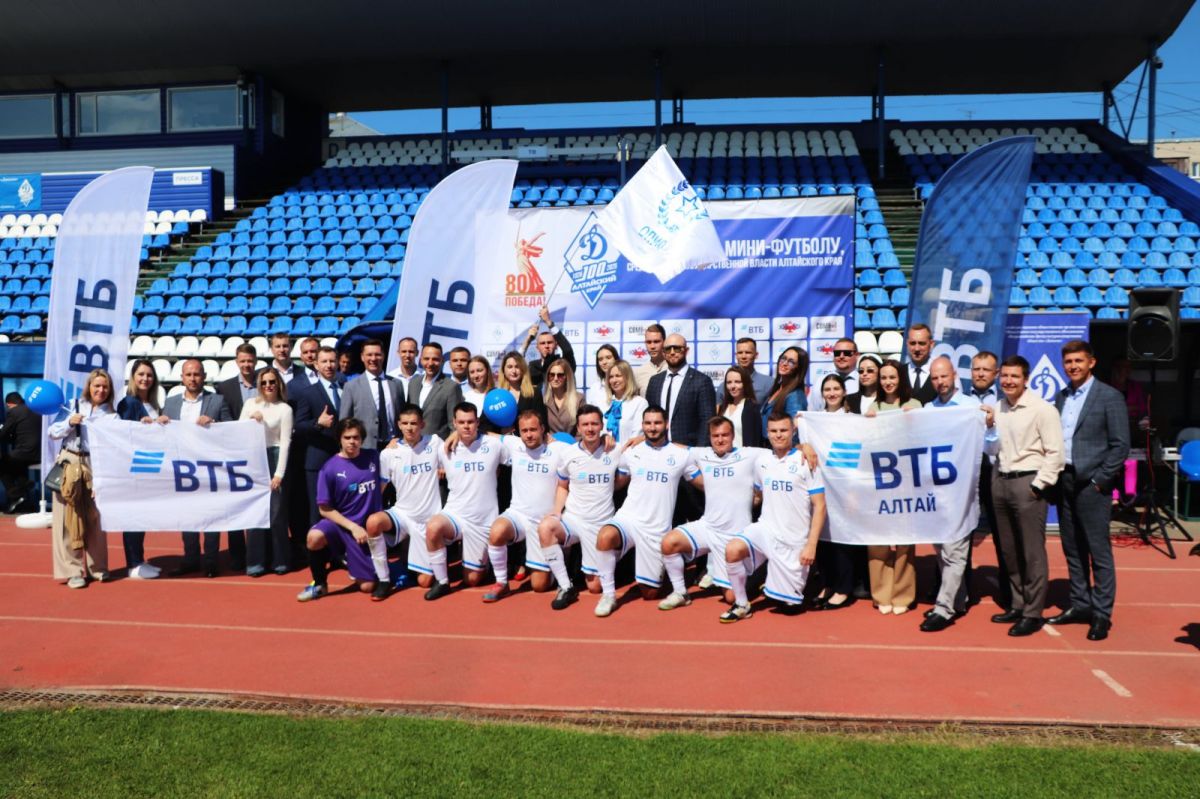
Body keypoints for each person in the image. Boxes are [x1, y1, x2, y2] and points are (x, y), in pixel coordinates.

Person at [1048, 340, 1130, 642]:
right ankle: (1080, 604)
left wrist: (1100, 480)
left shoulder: (1109, 396)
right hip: (1065, 480)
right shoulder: (1061, 397)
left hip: (1092, 484)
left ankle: (1101, 613)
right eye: (1068, 362)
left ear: (1091, 362)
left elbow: (1120, 445)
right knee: (1072, 548)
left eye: (1078, 361)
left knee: (1099, 551)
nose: (1073, 366)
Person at [984, 354, 1065, 637]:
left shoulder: (1043, 410)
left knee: (1032, 552)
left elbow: (1056, 453)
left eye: (1014, 376)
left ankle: (1033, 612)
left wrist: (1038, 485)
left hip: (1028, 483)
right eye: (1004, 376)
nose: (1008, 381)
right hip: (1001, 481)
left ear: (1026, 379)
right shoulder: (997, 408)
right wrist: (990, 427)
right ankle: (1018, 604)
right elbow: (991, 450)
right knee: (1009, 551)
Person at [592, 405, 700, 617]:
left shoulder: (681, 455)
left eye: (657, 423)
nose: (652, 427)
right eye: (648, 423)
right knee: (605, 536)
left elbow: (701, 482)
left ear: (667, 424)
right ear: (642, 425)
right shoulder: (631, 451)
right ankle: (608, 595)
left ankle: (664, 570)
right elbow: (618, 483)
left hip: (656, 530)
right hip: (629, 519)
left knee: (649, 594)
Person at [720, 410, 826, 622]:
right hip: (766, 530)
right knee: (732, 550)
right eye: (774, 431)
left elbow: (820, 506)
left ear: (793, 431)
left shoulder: (806, 461)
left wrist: (811, 545)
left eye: (783, 430)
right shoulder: (762, 461)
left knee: (789, 608)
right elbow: (759, 495)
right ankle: (742, 604)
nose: (778, 435)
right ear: (767, 433)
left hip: (793, 541)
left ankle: (798, 577)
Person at [658, 415, 764, 610]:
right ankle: (680, 593)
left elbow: (781, 451)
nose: (720, 439)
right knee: (669, 543)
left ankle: (759, 572)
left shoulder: (751, 454)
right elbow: (673, 447)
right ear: (710, 437)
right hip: (708, 527)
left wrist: (804, 447)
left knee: (731, 598)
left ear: (733, 436)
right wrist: (641, 439)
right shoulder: (702, 454)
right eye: (715, 436)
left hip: (734, 536)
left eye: (725, 435)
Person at [919, 356, 988, 632]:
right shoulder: (928, 409)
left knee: (955, 550)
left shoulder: (972, 408)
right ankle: (958, 600)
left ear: (954, 375)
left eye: (944, 376)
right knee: (941, 550)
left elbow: (990, 443)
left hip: (962, 491)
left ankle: (944, 608)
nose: (940, 382)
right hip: (935, 491)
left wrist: (990, 423)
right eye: (935, 378)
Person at [537, 404, 624, 610]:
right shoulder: (568, 454)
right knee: (546, 527)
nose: (590, 428)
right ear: (578, 427)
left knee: (594, 587)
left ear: (602, 426)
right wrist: (557, 511)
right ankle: (565, 586)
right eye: (585, 424)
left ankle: (609, 558)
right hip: (574, 519)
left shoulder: (616, 450)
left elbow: (628, 468)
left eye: (594, 424)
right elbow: (562, 486)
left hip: (600, 524)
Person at [296, 418, 392, 602]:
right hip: (342, 524)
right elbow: (324, 509)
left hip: (366, 529)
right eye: (347, 437)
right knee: (314, 537)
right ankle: (319, 584)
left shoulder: (373, 457)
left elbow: (385, 478)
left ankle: (346, 559)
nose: (352, 442)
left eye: (356, 437)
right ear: (339, 439)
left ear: (362, 439)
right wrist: (353, 527)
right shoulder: (329, 468)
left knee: (367, 587)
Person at [480, 409, 571, 601]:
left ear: (543, 429)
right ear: (518, 432)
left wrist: (605, 439)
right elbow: (481, 433)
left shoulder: (560, 449)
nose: (529, 435)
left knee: (539, 586)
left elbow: (586, 446)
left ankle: (556, 564)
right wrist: (455, 434)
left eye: (533, 430)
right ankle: (502, 583)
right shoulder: (514, 444)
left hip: (543, 523)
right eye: (524, 430)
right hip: (518, 515)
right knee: (496, 531)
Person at [423, 402, 506, 599]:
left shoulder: (494, 445)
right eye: (461, 422)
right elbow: (413, 447)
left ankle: (484, 562)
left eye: (470, 422)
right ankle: (442, 582)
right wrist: (393, 442)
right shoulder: (443, 449)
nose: (466, 426)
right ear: (454, 423)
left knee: (472, 580)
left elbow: (523, 450)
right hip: (455, 514)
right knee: (433, 527)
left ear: (478, 423)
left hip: (482, 521)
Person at [162, 359, 234, 577]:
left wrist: (214, 424)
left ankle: (211, 561)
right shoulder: (171, 403)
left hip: (209, 466)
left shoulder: (218, 400)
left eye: (196, 374)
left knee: (211, 514)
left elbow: (231, 430)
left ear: (204, 376)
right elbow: (163, 436)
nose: (192, 379)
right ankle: (191, 559)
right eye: (188, 375)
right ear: (182, 378)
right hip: (182, 467)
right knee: (187, 515)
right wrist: (159, 424)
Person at [48, 368, 116, 588]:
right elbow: (52, 432)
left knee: (95, 517)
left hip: (95, 464)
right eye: (97, 386)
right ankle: (72, 570)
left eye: (105, 387)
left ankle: (98, 568)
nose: (101, 390)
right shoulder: (72, 405)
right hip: (70, 460)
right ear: (89, 386)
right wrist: (69, 422)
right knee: (67, 518)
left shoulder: (113, 415)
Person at [863, 358, 921, 615]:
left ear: (901, 379)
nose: (888, 382)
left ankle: (903, 595)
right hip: (880, 482)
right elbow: (866, 444)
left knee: (905, 541)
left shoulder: (914, 405)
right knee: (878, 540)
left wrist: (914, 420)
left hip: (907, 482)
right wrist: (868, 424)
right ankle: (881, 593)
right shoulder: (873, 407)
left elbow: (923, 438)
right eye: (884, 377)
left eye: (892, 377)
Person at [366, 404, 444, 585]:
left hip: (428, 520)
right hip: (402, 514)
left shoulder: (435, 442)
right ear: (399, 425)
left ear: (422, 424)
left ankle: (409, 565)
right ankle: (383, 579)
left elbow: (457, 447)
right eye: (405, 423)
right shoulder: (388, 453)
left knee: (425, 582)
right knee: (373, 522)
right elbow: (381, 487)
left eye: (414, 423)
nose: (409, 428)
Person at [644, 334, 715, 524]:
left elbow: (707, 421)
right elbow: (650, 420)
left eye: (678, 348)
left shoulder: (701, 381)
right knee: (665, 518)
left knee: (696, 517)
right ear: (663, 352)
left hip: (688, 461)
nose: (673, 352)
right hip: (660, 462)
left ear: (686, 350)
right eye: (668, 348)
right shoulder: (655, 381)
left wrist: (697, 457)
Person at [115, 359, 165, 579]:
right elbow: (122, 433)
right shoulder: (129, 402)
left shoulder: (154, 404)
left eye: (149, 375)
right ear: (133, 378)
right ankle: (133, 564)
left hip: (151, 464)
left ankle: (139, 559)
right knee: (133, 515)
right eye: (141, 374)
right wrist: (140, 426)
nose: (145, 379)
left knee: (143, 515)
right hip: (134, 467)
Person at [809, 373, 856, 611]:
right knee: (823, 538)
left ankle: (843, 588)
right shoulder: (814, 420)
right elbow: (804, 446)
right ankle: (827, 584)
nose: (832, 393)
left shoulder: (853, 419)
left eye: (836, 388)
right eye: (827, 389)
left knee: (842, 539)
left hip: (845, 487)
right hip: (820, 486)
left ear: (844, 391)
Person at [241, 367, 293, 576]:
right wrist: (251, 420)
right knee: (255, 513)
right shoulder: (249, 404)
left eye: (272, 381)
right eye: (264, 382)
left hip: (274, 457)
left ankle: (280, 560)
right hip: (254, 458)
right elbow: (238, 430)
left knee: (277, 514)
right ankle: (255, 562)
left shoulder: (285, 409)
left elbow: (285, 442)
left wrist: (279, 473)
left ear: (278, 384)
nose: (268, 385)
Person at [969, 350, 1009, 611]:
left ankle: (1008, 592)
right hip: (969, 474)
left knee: (1002, 535)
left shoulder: (1006, 402)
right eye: (976, 369)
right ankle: (960, 590)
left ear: (996, 374)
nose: (980, 374)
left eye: (986, 369)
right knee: (962, 533)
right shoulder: (961, 401)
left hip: (996, 473)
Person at [293, 346, 344, 526]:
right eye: (324, 361)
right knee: (319, 510)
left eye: (332, 361)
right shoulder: (307, 393)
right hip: (318, 461)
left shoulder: (346, 388)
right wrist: (318, 423)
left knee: (342, 507)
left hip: (344, 459)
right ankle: (317, 545)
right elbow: (298, 426)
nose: (329, 365)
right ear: (316, 365)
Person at [340, 339, 404, 450]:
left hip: (394, 446)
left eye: (377, 354)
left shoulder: (396, 384)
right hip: (364, 448)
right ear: (362, 357)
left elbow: (402, 416)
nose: (373, 359)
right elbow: (344, 422)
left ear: (383, 356)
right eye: (369, 355)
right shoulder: (351, 386)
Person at [407, 342, 464, 440]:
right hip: (412, 444)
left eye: (435, 359)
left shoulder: (451, 387)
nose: (430, 363)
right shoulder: (413, 383)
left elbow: (454, 425)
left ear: (442, 360)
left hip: (437, 446)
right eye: (426, 359)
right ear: (420, 360)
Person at [1, 392, 40, 513]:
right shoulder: (36, 410)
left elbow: (3, 433)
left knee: (2, 464)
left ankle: (15, 495)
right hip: (39, 455)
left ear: (10, 404)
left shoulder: (14, 411)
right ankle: (24, 491)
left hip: (25, 453)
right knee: (16, 466)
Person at [760, 346, 808, 437]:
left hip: (779, 444)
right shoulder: (777, 388)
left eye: (791, 362)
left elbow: (794, 432)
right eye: (783, 358)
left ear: (799, 368)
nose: (785, 363)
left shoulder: (795, 396)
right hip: (767, 443)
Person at [523, 305, 576, 387]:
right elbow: (517, 363)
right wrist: (527, 341)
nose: (546, 346)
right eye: (542, 343)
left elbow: (568, 350)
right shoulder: (532, 366)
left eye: (550, 342)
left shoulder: (564, 364)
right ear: (537, 348)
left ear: (556, 345)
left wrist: (548, 322)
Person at [716, 365, 764, 448]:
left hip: (743, 455)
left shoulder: (752, 408)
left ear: (745, 384)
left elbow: (755, 441)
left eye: (737, 382)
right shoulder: (723, 407)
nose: (733, 386)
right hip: (724, 455)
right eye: (729, 382)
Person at [600, 360, 647, 443]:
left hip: (630, 450)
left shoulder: (639, 403)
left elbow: (637, 434)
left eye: (618, 376)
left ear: (628, 377)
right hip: (605, 450)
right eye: (611, 377)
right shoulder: (604, 403)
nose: (614, 380)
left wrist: (623, 450)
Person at [808, 338, 860, 411]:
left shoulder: (863, 380)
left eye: (847, 353)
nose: (841, 356)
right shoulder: (820, 381)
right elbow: (812, 411)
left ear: (857, 355)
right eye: (837, 353)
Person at [496, 351, 545, 427]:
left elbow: (542, 422)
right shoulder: (496, 395)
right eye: (510, 367)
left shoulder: (534, 393)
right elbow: (485, 425)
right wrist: (501, 432)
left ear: (523, 369)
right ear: (503, 370)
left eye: (517, 367)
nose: (514, 371)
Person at [215, 343, 258, 420]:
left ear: (256, 361)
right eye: (242, 361)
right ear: (237, 362)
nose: (246, 365)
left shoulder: (266, 385)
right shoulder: (224, 388)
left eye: (250, 361)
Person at [542, 360, 582, 436]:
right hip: (550, 442)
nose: (555, 378)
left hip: (572, 442)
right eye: (552, 375)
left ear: (567, 377)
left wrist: (574, 442)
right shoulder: (543, 400)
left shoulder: (579, 399)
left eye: (560, 375)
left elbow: (583, 426)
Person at [905, 323, 937, 405]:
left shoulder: (942, 373)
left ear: (931, 344)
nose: (917, 349)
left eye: (921, 343)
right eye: (912, 343)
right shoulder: (899, 373)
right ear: (907, 344)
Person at [734, 337, 773, 403]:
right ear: (736, 355)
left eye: (748, 352)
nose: (743, 356)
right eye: (740, 353)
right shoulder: (725, 386)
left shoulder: (769, 383)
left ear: (756, 355)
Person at [632, 324, 667, 393]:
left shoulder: (674, 370)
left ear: (665, 342)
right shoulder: (638, 373)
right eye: (648, 342)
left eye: (656, 342)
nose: (652, 346)